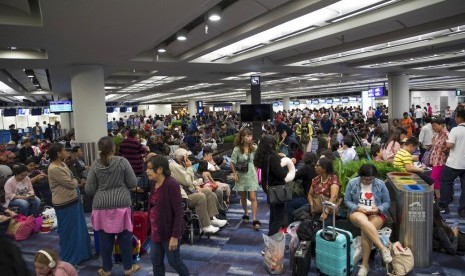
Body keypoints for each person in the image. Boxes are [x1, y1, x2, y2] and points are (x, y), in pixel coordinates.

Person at [85, 136, 140, 276]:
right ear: (113, 148)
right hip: (122, 204)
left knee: (105, 241)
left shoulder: (95, 165)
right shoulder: (123, 162)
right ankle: (128, 268)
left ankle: (106, 270)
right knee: (125, 238)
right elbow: (133, 183)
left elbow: (89, 190)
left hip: (101, 206)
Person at [47, 143, 92, 265]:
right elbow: (72, 183)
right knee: (69, 231)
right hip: (65, 204)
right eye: (64, 151)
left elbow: (72, 180)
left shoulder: (61, 164)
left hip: (73, 200)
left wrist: (74, 181)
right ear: (58, 153)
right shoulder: (54, 169)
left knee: (78, 228)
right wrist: (75, 181)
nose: (66, 153)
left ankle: (82, 253)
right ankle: (71, 256)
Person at [344, 164, 392, 276]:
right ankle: (383, 248)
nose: (367, 181)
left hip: (376, 213)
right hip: (357, 212)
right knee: (364, 223)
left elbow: (387, 202)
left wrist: (378, 209)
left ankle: (365, 265)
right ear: (360, 176)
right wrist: (357, 208)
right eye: (364, 179)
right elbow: (347, 201)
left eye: (370, 179)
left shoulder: (380, 184)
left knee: (365, 232)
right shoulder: (352, 183)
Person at [146, 155, 190, 276]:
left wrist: (175, 236)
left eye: (150, 168)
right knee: (156, 262)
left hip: (169, 232)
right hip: (155, 231)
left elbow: (179, 213)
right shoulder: (153, 184)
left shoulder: (171, 184)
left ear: (159, 169)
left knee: (174, 262)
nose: (147, 171)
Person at [169, 148, 225, 234]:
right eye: (187, 156)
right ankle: (205, 225)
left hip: (188, 190)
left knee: (207, 191)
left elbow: (190, 181)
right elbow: (187, 182)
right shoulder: (175, 167)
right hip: (182, 195)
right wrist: (189, 167)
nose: (188, 158)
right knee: (200, 197)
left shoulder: (180, 165)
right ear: (182, 158)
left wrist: (196, 184)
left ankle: (211, 219)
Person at [253, 134, 289, 236]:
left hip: (268, 187)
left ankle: (270, 242)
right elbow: (281, 174)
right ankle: (270, 243)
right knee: (278, 218)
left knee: (273, 216)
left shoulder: (263, 156)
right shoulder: (272, 157)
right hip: (277, 188)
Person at [231, 128, 260, 230]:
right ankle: (246, 213)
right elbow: (233, 163)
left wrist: (255, 172)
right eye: (247, 136)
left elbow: (256, 161)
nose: (249, 138)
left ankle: (255, 219)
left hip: (251, 175)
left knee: (253, 197)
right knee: (243, 197)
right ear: (242, 137)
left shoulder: (254, 147)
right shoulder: (237, 149)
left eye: (250, 136)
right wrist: (234, 174)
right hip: (241, 175)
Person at [439, 109, 465, 217]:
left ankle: (444, 205)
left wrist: (445, 146)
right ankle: (463, 209)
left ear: (459, 118)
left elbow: (449, 145)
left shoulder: (456, 129)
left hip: (454, 163)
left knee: (446, 182)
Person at [308, 157, 341, 223]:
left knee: (324, 226)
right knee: (299, 214)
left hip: (330, 210)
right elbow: (310, 194)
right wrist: (311, 206)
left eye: (317, 165)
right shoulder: (316, 179)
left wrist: (326, 212)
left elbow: (334, 197)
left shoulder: (333, 179)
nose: (315, 167)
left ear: (324, 168)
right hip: (317, 208)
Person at [430, 117, 449, 200]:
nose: (434, 128)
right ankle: (438, 198)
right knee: (437, 179)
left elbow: (451, 147)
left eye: (435, 126)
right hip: (435, 160)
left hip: (441, 161)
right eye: (432, 126)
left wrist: (447, 150)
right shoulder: (437, 134)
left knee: (433, 179)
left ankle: (438, 198)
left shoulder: (446, 134)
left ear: (441, 125)